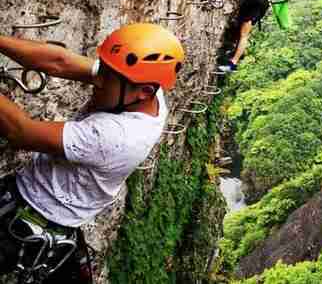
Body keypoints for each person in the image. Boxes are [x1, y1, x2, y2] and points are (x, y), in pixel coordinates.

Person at [0, 23, 184, 283]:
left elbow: (20, 131)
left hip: (32, 214)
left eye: (107, 77)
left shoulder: (115, 136)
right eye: (104, 69)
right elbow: (59, 61)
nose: (97, 79)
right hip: (53, 216)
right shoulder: (145, 91)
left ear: (144, 92)